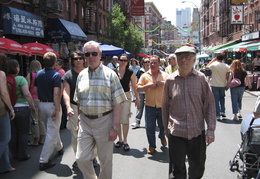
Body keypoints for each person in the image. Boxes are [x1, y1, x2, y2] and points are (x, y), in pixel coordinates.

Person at [162, 45, 216, 179]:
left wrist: (210, 130)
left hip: (197, 132)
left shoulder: (201, 79)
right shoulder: (169, 81)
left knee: (197, 168)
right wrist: (166, 129)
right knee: (177, 170)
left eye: (187, 57)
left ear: (194, 59)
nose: (183, 60)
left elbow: (209, 105)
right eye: (180, 57)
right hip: (176, 132)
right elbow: (165, 107)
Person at [74, 41, 126, 179]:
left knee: (105, 160)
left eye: (94, 53)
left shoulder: (110, 75)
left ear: (100, 55)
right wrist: (79, 120)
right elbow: (79, 101)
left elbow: (118, 102)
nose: (91, 57)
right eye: (87, 54)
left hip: (105, 121)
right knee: (81, 158)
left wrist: (114, 127)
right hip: (85, 121)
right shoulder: (81, 75)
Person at [34, 52, 64, 170]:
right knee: (51, 132)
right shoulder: (56, 75)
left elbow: (35, 90)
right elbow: (56, 94)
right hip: (52, 104)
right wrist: (57, 108)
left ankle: (60, 147)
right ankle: (43, 160)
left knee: (52, 129)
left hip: (42, 103)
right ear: (54, 62)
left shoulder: (38, 74)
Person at [136, 55, 168, 154]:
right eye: (151, 63)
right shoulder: (145, 76)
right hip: (150, 106)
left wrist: (163, 83)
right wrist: (147, 86)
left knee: (163, 126)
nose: (152, 64)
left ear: (159, 64)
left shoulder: (165, 75)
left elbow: (172, 86)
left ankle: (162, 136)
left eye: (155, 62)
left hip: (162, 105)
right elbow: (138, 88)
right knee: (150, 127)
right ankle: (152, 145)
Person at [7, 59, 36, 161]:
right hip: (22, 108)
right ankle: (22, 154)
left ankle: (14, 153)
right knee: (23, 132)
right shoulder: (21, 79)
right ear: (16, 68)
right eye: (18, 66)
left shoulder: (4, 79)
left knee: (13, 133)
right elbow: (27, 94)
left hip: (9, 108)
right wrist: (32, 107)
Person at [63, 51, 85, 168]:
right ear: (72, 61)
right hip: (74, 107)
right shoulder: (68, 75)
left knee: (90, 135)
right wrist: (68, 107)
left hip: (89, 108)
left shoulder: (90, 72)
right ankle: (78, 158)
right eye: (76, 58)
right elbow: (65, 92)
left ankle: (91, 157)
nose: (78, 60)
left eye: (80, 58)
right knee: (75, 135)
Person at [114, 54, 140, 151]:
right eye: (121, 60)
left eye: (125, 60)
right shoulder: (113, 72)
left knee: (124, 119)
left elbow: (134, 85)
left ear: (127, 62)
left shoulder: (130, 72)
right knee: (117, 120)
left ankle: (125, 141)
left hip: (126, 96)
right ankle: (119, 139)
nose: (123, 62)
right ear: (118, 61)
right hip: (115, 97)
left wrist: (137, 98)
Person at [0, 53, 15, 173]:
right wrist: (11, 108)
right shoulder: (1, 73)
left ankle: (5, 165)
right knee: (6, 137)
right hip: (1, 110)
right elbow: (4, 93)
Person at [26, 60, 46, 146]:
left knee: (34, 120)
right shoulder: (43, 74)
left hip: (33, 98)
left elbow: (27, 87)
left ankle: (35, 140)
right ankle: (42, 139)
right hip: (41, 98)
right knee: (41, 120)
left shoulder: (30, 75)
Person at [206, 54, 230, 120]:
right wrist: (227, 83)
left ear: (216, 58)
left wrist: (212, 60)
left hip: (214, 84)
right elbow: (227, 75)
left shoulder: (214, 65)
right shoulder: (226, 66)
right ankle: (223, 111)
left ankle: (218, 114)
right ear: (223, 59)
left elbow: (207, 67)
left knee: (216, 99)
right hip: (223, 84)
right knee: (222, 98)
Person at [131, 57, 150, 129]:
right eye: (145, 62)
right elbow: (137, 82)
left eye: (148, 62)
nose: (147, 63)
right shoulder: (140, 71)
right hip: (141, 92)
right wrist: (136, 92)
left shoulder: (153, 71)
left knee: (149, 108)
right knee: (140, 107)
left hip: (150, 92)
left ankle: (149, 123)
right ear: (143, 63)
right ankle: (137, 122)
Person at [55, 58, 67, 129]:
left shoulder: (61, 72)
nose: (55, 66)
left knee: (62, 108)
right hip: (61, 92)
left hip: (61, 93)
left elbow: (62, 83)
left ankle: (63, 124)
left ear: (60, 65)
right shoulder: (59, 71)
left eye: (57, 65)